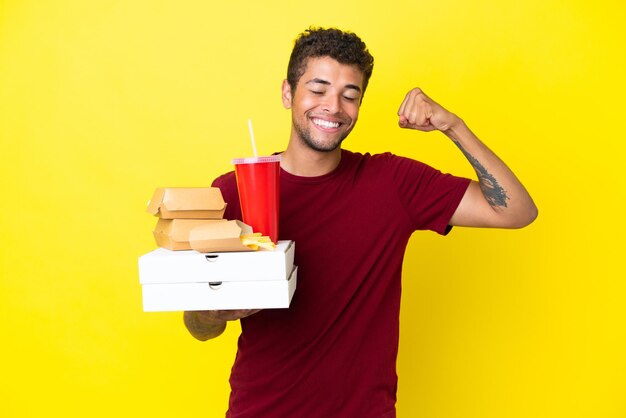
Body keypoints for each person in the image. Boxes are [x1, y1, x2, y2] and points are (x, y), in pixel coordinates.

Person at [183, 27, 537, 418]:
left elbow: (517, 211)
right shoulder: (234, 191)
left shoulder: (392, 182)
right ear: (288, 93)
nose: (333, 107)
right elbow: (199, 328)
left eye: (349, 96)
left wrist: (454, 126)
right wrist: (215, 312)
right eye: (318, 90)